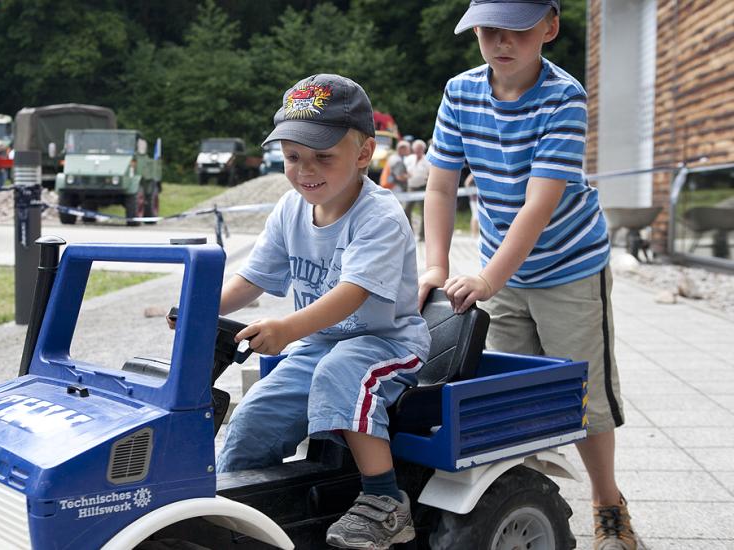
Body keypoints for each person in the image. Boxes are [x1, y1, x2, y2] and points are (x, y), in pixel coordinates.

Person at [419, 1, 637, 549]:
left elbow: (539, 206)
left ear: (549, 27)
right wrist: (437, 265)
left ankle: (607, 504)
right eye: (488, 30)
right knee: (509, 396)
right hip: (504, 266)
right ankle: (518, 498)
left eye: (517, 29)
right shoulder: (460, 92)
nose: (501, 42)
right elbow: (442, 186)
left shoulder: (563, 98)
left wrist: (488, 280)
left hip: (569, 266)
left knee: (583, 397)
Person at [215, 74, 429, 549]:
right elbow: (251, 280)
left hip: (387, 342)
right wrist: (199, 307)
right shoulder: (290, 210)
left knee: (340, 371)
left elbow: (353, 293)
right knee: (255, 414)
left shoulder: (380, 215)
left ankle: (384, 502)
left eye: (323, 157)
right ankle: (235, 503)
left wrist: (288, 328)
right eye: (293, 157)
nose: (305, 170)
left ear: (363, 153)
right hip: (319, 343)